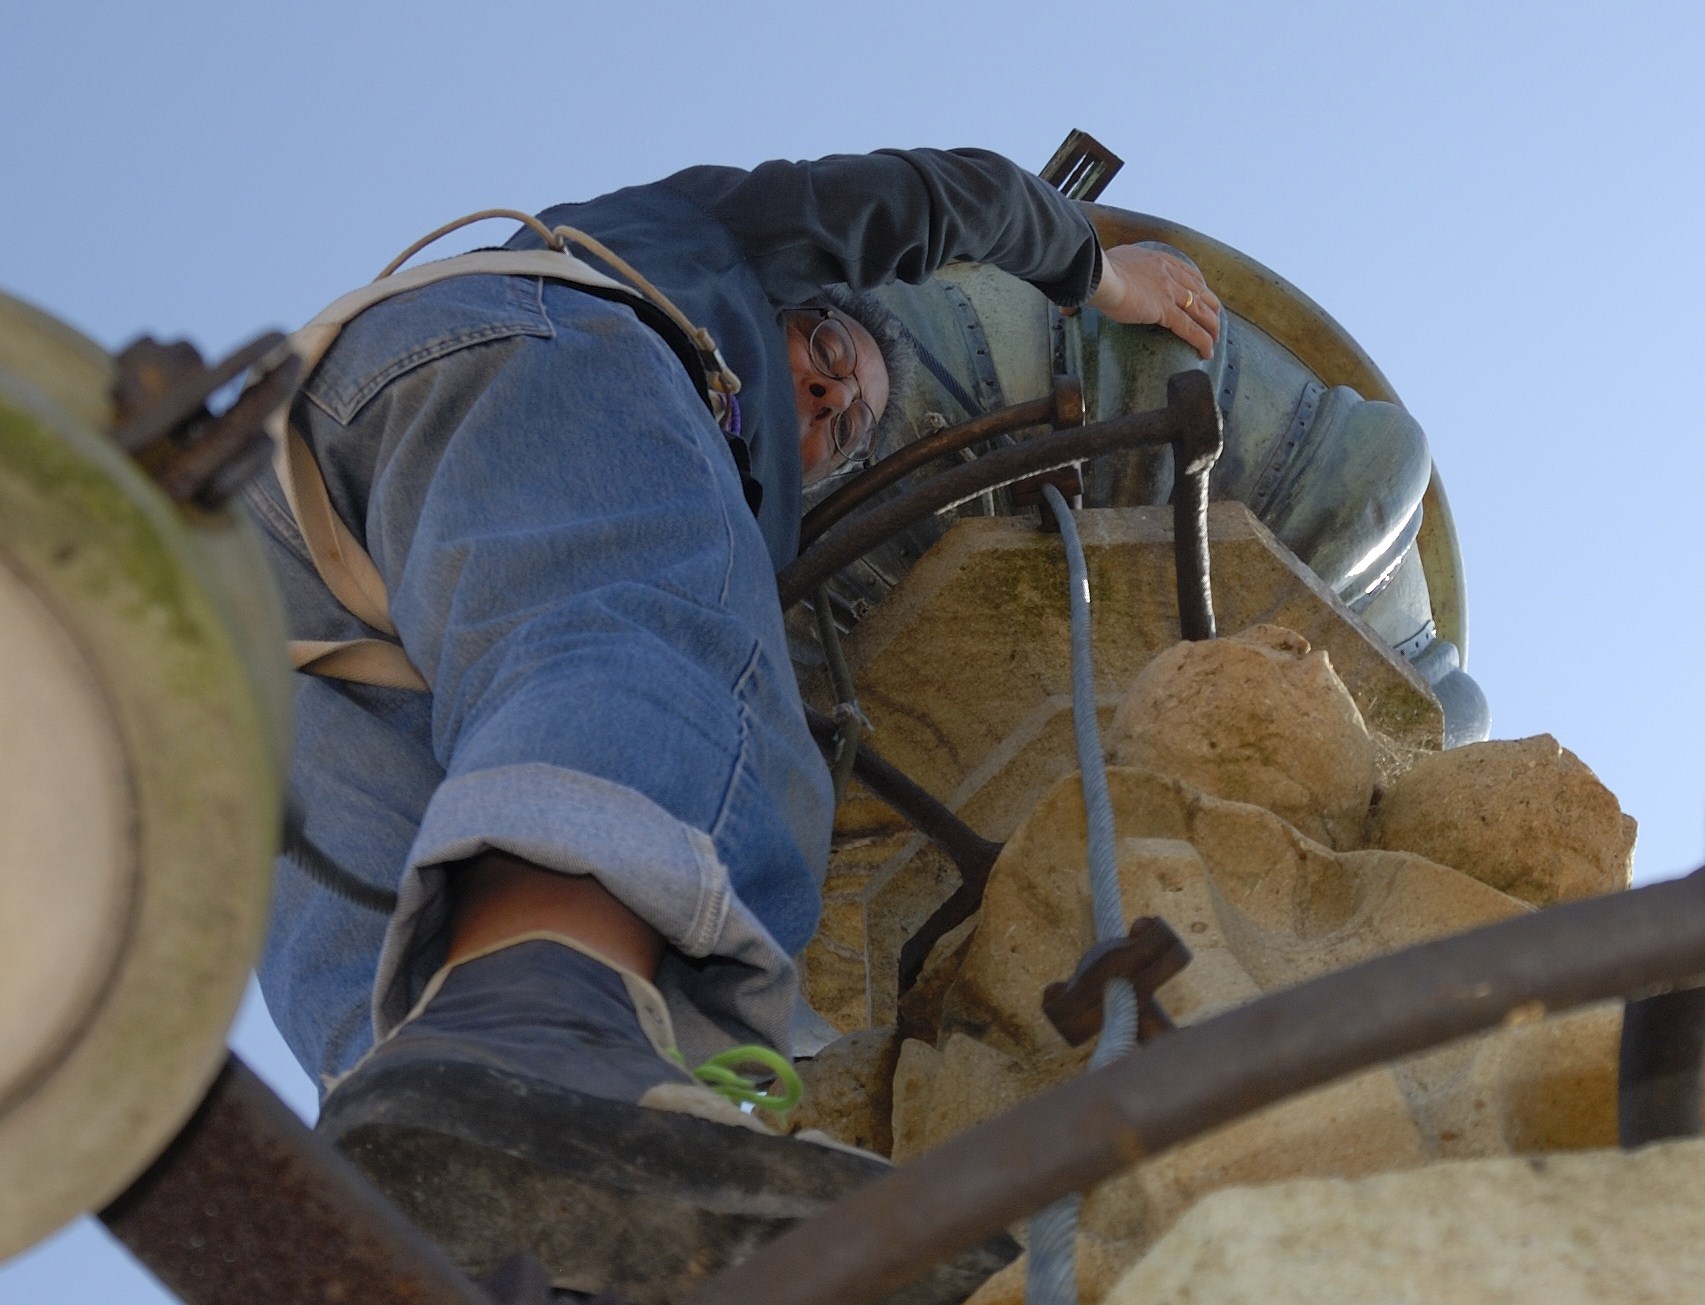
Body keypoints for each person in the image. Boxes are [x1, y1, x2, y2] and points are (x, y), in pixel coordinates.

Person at [246, 146, 1220, 1300]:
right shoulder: (700, 247)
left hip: (260, 567)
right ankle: (546, 1033)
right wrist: (1097, 273)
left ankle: (457, 1238)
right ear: (788, 301)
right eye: (829, 354)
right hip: (512, 347)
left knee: (369, 937)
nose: (830, 400)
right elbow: (939, 194)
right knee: (677, 651)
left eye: (846, 431)